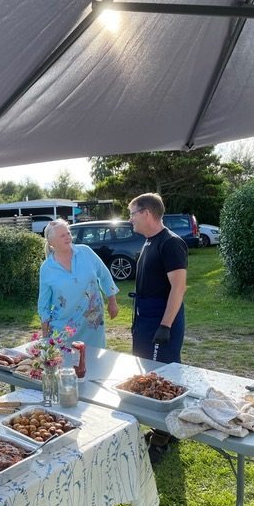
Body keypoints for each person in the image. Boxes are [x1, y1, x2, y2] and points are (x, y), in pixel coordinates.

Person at [128, 193, 188, 462]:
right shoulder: (149, 241)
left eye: (133, 213)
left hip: (161, 320)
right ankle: (161, 428)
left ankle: (162, 439)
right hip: (145, 318)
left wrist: (165, 325)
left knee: (163, 377)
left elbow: (178, 287)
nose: (130, 219)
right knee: (146, 374)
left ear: (147, 213)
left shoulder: (170, 243)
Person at [38, 219, 119, 348]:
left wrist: (112, 302)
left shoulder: (86, 252)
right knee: (64, 359)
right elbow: (44, 303)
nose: (68, 237)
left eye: (68, 233)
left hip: (92, 324)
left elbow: (105, 275)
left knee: (94, 358)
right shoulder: (47, 268)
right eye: (62, 235)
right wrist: (44, 334)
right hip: (63, 328)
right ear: (52, 242)